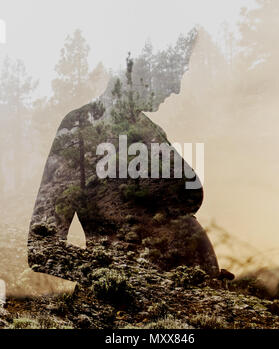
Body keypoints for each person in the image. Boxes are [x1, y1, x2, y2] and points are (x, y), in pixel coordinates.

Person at [27, 30, 219, 286]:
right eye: (173, 73)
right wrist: (120, 282)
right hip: (141, 309)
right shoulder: (81, 128)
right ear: (138, 66)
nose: (176, 88)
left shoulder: (151, 130)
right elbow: (43, 248)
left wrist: (207, 276)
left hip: (197, 300)